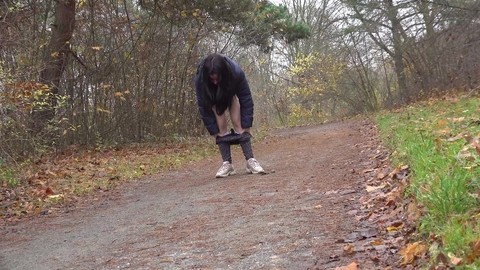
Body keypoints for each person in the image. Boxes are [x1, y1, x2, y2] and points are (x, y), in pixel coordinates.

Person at [194, 53, 265, 178]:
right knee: (219, 121)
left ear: (223, 73)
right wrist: (214, 131)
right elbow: (203, 107)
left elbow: (246, 99)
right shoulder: (200, 79)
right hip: (214, 100)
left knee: (239, 124)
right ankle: (227, 164)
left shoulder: (236, 73)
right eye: (212, 79)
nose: (215, 82)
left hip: (230, 94)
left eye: (217, 78)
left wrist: (246, 127)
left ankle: (250, 161)